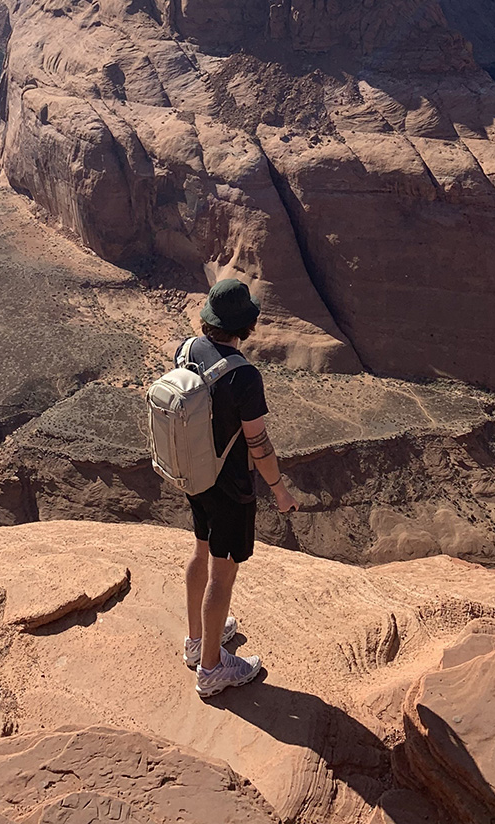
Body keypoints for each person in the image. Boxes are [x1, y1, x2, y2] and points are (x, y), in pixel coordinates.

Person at [180, 277, 298, 697]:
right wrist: (279, 490)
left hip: (194, 475)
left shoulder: (187, 349)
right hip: (229, 486)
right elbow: (258, 443)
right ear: (244, 327)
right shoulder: (244, 375)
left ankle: (197, 642)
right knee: (223, 573)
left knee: (200, 551)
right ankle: (211, 669)